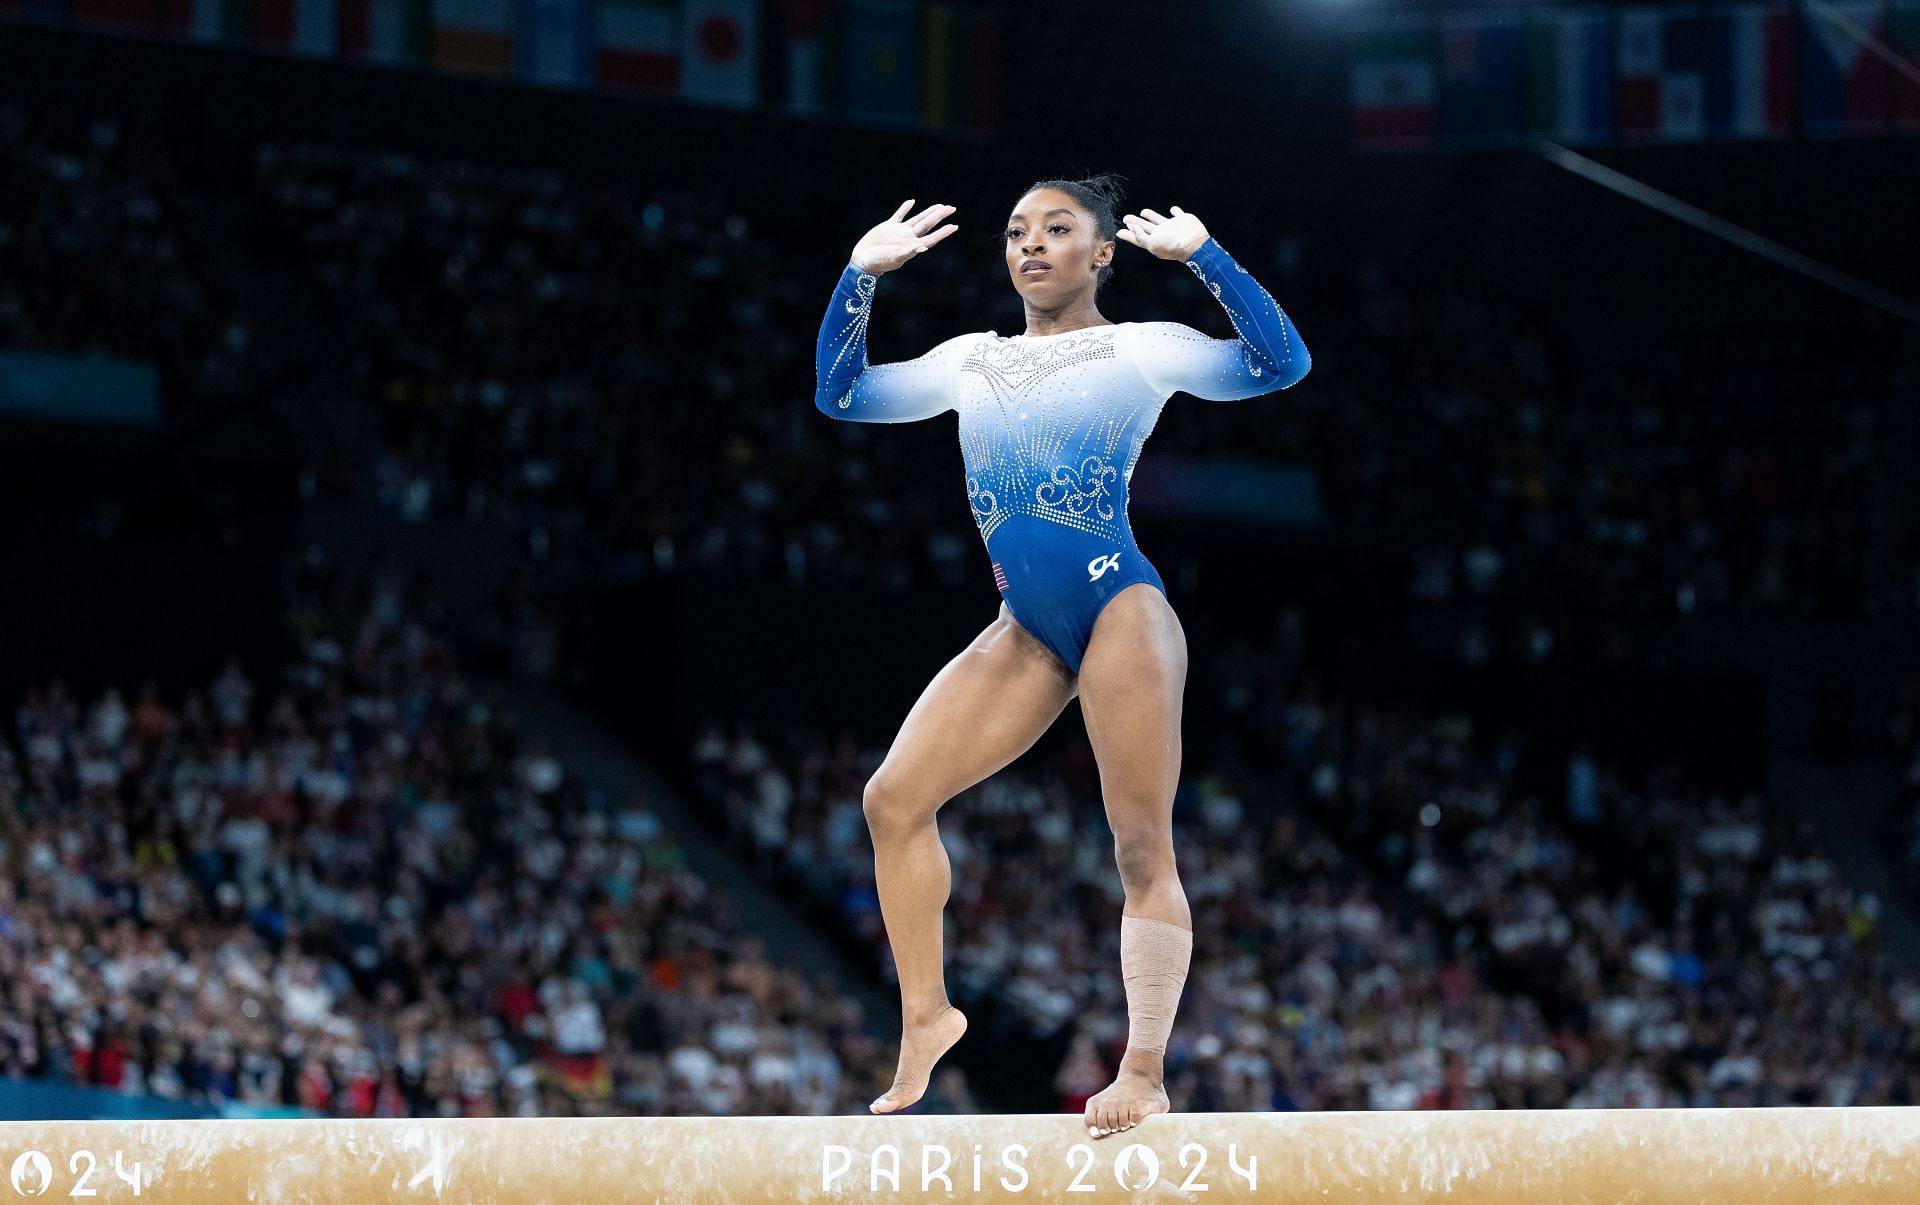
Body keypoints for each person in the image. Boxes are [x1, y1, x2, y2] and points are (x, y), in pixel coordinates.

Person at [812, 175, 1310, 1137]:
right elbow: (841, 394)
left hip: (1120, 603)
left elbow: (1278, 364)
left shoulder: (1140, 347)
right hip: (1029, 627)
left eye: (1057, 229)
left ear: (1104, 250)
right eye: (1015, 232)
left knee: (1138, 845)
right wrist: (857, 277)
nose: (1030, 244)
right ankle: (927, 1012)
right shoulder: (969, 363)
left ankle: (1146, 1068)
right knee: (891, 800)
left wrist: (1206, 258)